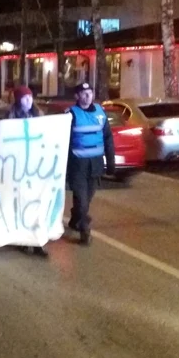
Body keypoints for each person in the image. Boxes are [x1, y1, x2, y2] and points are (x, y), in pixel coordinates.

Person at [66, 82, 115, 245]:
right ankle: (85, 231)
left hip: (95, 164)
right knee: (82, 198)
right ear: (77, 96)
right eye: (84, 93)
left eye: (90, 93)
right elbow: (63, 140)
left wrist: (111, 161)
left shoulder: (100, 112)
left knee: (88, 197)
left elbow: (108, 138)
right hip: (77, 164)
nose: (88, 96)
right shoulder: (71, 114)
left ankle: (75, 219)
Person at [5, 86, 48, 257]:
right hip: (18, 168)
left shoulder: (39, 116)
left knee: (38, 203)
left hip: (36, 168)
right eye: (24, 98)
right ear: (18, 100)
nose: (28, 100)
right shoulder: (11, 117)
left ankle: (38, 241)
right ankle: (23, 238)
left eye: (30, 97)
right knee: (22, 204)